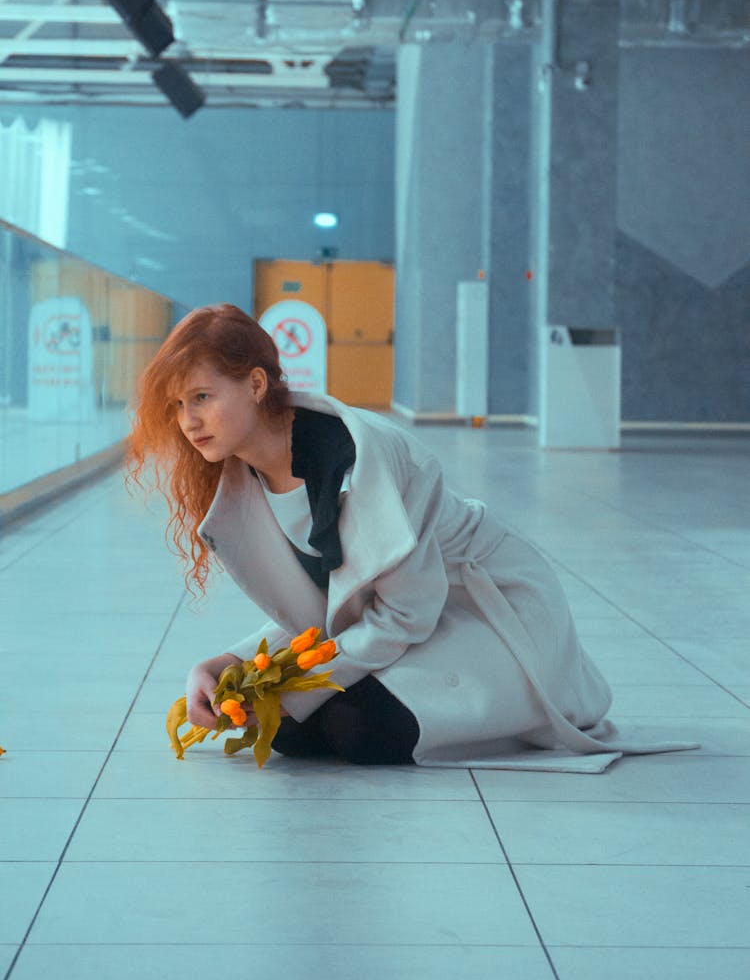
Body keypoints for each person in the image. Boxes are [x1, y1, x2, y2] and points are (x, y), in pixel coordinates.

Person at [128, 303, 695, 770]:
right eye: (178, 405)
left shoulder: (359, 453)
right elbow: (329, 602)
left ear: (255, 384)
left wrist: (300, 688)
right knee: (289, 732)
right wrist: (227, 662)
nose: (189, 421)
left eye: (202, 397)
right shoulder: (242, 476)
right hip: (403, 612)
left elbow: (405, 613)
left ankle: (522, 705)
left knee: (356, 728)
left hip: (483, 606)